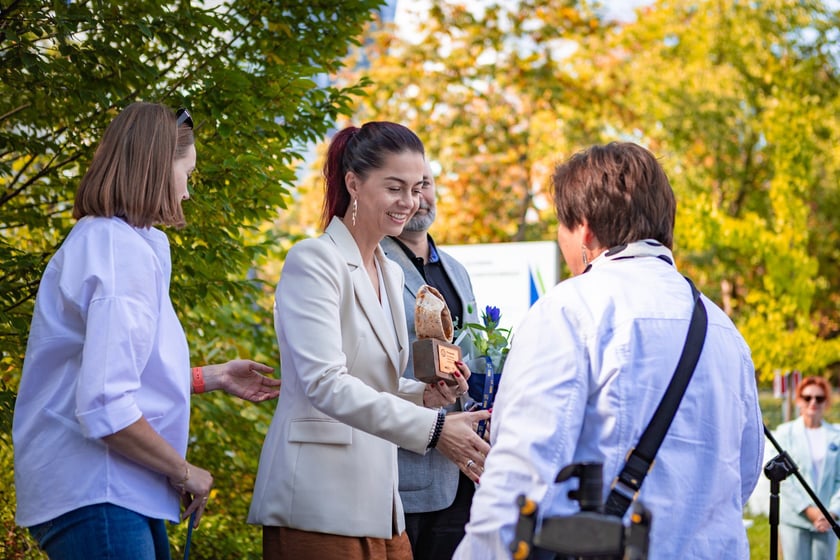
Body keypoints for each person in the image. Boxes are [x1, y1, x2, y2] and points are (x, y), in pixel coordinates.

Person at [454, 142, 764, 559]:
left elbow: (519, 476)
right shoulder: (723, 329)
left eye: (560, 227)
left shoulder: (570, 309)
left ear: (583, 228)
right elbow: (742, 474)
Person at [12, 102, 281, 560]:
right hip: (98, 490)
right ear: (157, 168)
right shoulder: (118, 251)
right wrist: (183, 470)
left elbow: (108, 376)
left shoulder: (115, 242)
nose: (187, 193)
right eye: (186, 175)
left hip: (103, 490)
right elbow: (103, 405)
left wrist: (210, 377)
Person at [248, 122, 491, 560]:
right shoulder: (314, 260)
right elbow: (325, 383)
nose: (409, 203)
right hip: (318, 499)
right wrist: (435, 431)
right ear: (354, 183)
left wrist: (428, 394)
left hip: (383, 502)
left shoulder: (391, 271)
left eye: (417, 188)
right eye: (395, 187)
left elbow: (379, 382)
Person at [380, 160, 481, 559]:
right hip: (405, 469)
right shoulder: (374, 263)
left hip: (462, 474)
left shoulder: (457, 269)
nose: (418, 197)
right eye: (404, 187)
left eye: (425, 184)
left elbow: (471, 351)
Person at [774, 376, 840, 560]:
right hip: (795, 520)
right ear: (799, 400)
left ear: (826, 402)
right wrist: (809, 510)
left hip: (828, 521)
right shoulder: (784, 433)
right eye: (807, 397)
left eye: (819, 398)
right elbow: (785, 481)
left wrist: (832, 512)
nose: (813, 402)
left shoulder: (837, 435)